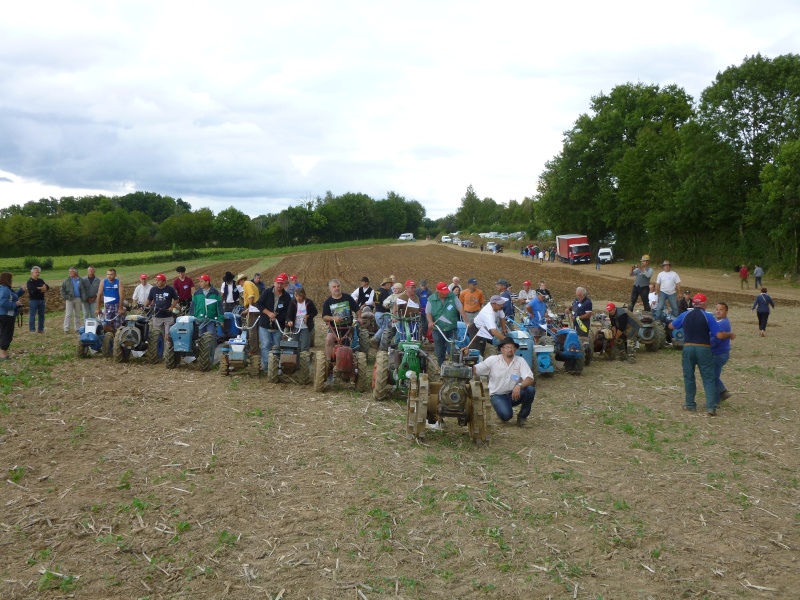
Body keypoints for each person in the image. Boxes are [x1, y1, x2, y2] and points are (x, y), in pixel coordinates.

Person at [669, 293, 727, 416]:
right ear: (704, 304)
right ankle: (710, 407)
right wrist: (729, 334)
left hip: (688, 348)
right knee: (708, 377)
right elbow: (719, 335)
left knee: (689, 376)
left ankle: (690, 404)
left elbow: (671, 326)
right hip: (703, 348)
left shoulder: (685, 315)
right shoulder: (708, 317)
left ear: (693, 303)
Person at [474, 337, 536, 427]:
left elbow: (530, 378)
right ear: (501, 349)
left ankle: (522, 418)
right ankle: (502, 410)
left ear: (515, 349)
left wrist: (519, 385)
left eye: (512, 347)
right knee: (506, 416)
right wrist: (466, 358)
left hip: (514, 394)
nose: (510, 350)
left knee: (530, 390)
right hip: (498, 395)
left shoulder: (520, 361)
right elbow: (477, 369)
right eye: (507, 347)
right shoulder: (493, 360)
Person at [426, 282, 468, 366]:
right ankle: (440, 367)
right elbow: (428, 312)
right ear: (438, 291)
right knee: (439, 351)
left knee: (452, 349)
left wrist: (466, 321)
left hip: (451, 328)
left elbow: (460, 308)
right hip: (438, 329)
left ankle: (454, 366)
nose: (446, 293)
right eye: (443, 292)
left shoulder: (452, 296)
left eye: (446, 291)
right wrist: (430, 322)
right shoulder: (431, 299)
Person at [256, 274, 292, 367]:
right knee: (265, 345)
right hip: (265, 324)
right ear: (274, 283)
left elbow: (288, 311)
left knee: (277, 346)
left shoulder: (287, 297)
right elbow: (259, 304)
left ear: (284, 284)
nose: (279, 285)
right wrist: (268, 313)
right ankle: (267, 366)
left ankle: (275, 366)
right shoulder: (267, 292)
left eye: (281, 283)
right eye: (278, 283)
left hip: (278, 325)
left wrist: (279, 316)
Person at [321, 278, 361, 362]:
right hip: (334, 328)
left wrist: (359, 318)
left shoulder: (347, 298)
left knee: (347, 346)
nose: (336, 288)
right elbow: (324, 317)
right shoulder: (328, 302)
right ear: (330, 289)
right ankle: (328, 362)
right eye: (334, 287)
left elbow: (357, 309)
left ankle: (348, 361)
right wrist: (333, 318)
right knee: (329, 340)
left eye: (338, 286)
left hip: (347, 328)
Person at [711, 302, 736, 408]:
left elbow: (716, 340)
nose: (718, 311)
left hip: (719, 354)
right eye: (717, 309)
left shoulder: (722, 324)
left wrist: (706, 344)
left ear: (726, 312)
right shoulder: (721, 322)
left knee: (713, 377)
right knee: (714, 375)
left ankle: (716, 401)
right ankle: (723, 392)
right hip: (721, 353)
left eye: (721, 310)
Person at [191, 274, 225, 338]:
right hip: (199, 320)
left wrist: (221, 319)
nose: (199, 283)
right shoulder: (197, 293)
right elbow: (193, 307)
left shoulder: (215, 293)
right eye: (199, 281)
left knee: (211, 337)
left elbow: (220, 307)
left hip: (211, 320)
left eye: (201, 281)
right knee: (200, 338)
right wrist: (191, 318)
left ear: (207, 282)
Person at [286, 286, 318, 352]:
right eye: (297, 296)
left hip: (306, 326)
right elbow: (289, 315)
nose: (299, 298)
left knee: (305, 345)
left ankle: (304, 358)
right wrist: (289, 321)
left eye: (300, 296)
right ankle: (294, 359)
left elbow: (315, 312)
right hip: (295, 326)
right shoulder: (293, 303)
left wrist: (308, 316)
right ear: (295, 296)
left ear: (304, 295)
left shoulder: (309, 302)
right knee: (294, 344)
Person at [237, 273, 261, 357]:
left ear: (241, 281)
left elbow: (251, 296)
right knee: (254, 328)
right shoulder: (250, 284)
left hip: (253, 306)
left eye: (239, 282)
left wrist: (248, 309)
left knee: (251, 329)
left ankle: (253, 350)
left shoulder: (247, 284)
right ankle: (256, 347)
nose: (240, 284)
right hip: (254, 306)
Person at [0, 272, 23, 360]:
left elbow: (13, 296)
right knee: (6, 334)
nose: (12, 281)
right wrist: (15, 304)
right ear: (7, 279)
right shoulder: (5, 290)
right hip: (7, 315)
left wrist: (21, 291)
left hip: (3, 315)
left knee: (2, 333)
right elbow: (2, 302)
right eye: (11, 279)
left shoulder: (3, 289)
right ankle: (3, 355)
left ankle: (2, 354)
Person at [60, 267, 85, 333]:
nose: (70, 273)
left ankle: (77, 328)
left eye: (71, 271)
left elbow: (83, 290)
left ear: (76, 272)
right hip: (69, 299)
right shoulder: (66, 280)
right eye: (69, 271)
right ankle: (66, 329)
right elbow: (62, 289)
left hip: (78, 299)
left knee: (77, 314)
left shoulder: (81, 280)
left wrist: (83, 298)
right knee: (68, 314)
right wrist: (65, 297)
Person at [371, 278, 394, 348]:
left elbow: (373, 303)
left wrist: (377, 308)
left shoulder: (377, 291)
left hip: (377, 313)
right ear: (386, 284)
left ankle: (379, 344)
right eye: (390, 284)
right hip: (384, 314)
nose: (391, 286)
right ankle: (376, 339)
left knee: (382, 328)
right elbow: (386, 304)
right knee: (385, 329)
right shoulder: (386, 293)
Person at [26, 266, 50, 333]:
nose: (37, 273)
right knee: (32, 315)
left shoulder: (40, 280)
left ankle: (41, 329)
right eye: (36, 272)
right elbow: (33, 289)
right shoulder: (30, 282)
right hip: (33, 300)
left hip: (41, 300)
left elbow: (47, 287)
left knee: (41, 315)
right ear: (32, 273)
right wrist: (41, 288)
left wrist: (40, 288)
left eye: (38, 272)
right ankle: (32, 330)